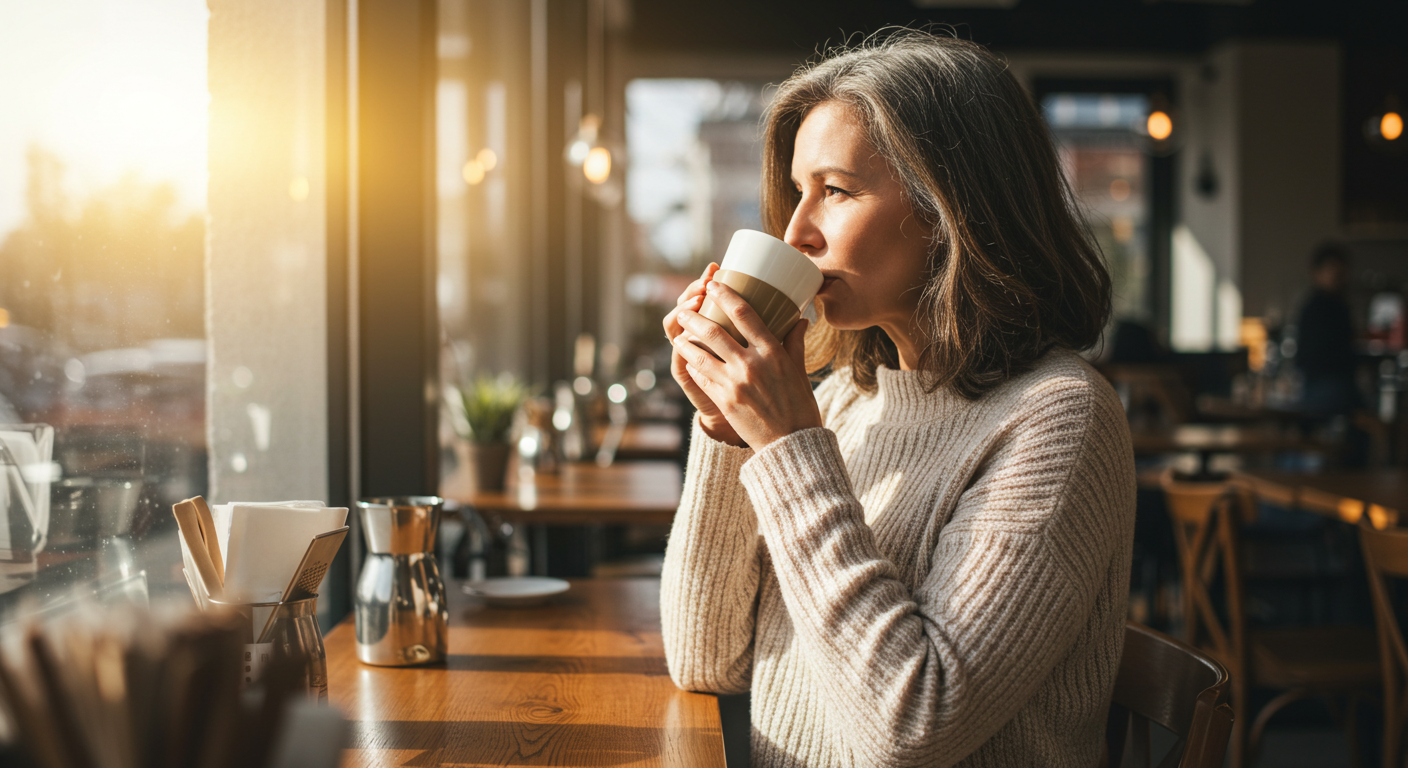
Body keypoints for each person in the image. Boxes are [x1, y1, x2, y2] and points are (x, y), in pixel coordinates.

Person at [658, 31, 1136, 767]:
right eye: (798, 192)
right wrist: (727, 431)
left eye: (835, 191)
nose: (796, 231)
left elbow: (912, 727)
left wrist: (787, 447)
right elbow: (705, 658)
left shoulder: (1059, 419)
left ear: (952, 207)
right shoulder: (846, 402)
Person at [1295, 243, 1359, 418]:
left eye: (1341, 271)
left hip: (1331, 385)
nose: (1338, 276)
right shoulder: (1317, 309)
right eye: (1332, 270)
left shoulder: (1339, 306)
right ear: (1316, 273)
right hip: (1324, 386)